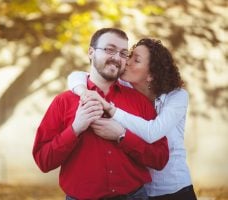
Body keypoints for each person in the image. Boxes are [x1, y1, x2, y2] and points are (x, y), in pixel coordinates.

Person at [33, 28, 169, 200]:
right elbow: (43, 161)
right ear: (91, 52)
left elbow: (160, 158)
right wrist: (75, 129)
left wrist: (122, 136)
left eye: (123, 53)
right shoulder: (64, 102)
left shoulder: (140, 102)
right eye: (109, 49)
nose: (117, 57)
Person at [67, 38, 197, 200]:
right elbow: (78, 75)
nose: (126, 62)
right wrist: (83, 92)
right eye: (129, 56)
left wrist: (113, 114)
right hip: (137, 191)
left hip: (173, 189)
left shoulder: (176, 96)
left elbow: (152, 132)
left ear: (151, 75)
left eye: (136, 60)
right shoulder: (124, 86)